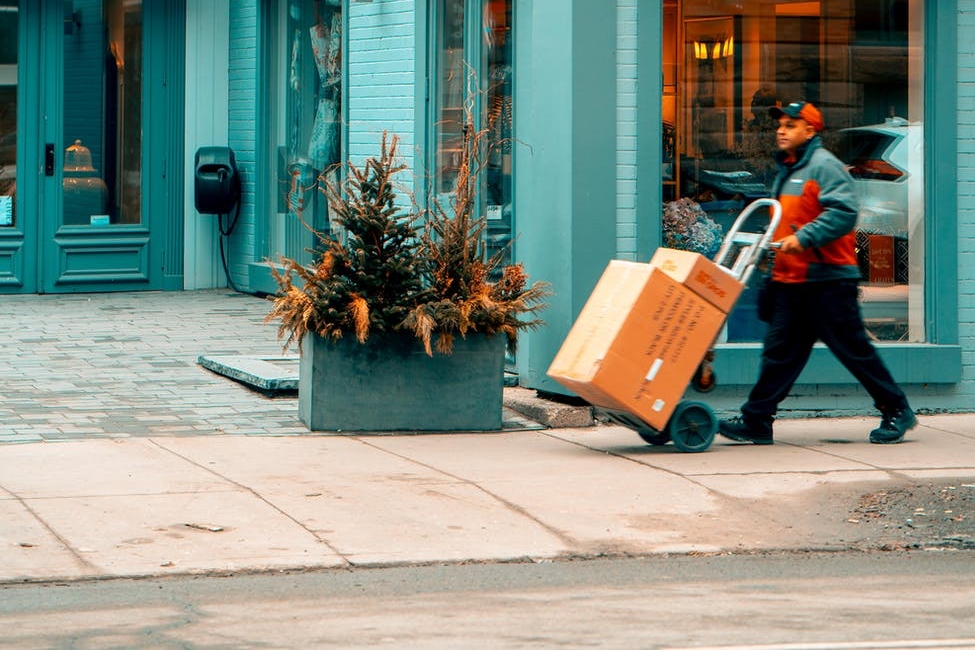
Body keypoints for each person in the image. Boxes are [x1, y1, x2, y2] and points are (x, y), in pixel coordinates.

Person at [719, 101, 917, 445]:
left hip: (827, 279)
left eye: (791, 125)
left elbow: (843, 212)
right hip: (793, 280)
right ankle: (757, 420)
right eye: (780, 124)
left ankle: (897, 409)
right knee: (780, 353)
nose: (781, 130)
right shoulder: (790, 168)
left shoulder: (824, 166)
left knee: (853, 350)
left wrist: (804, 238)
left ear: (810, 131)